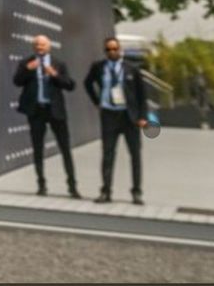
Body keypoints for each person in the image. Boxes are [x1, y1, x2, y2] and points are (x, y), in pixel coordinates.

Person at [84, 36, 148, 204]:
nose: (112, 52)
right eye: (108, 49)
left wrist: (143, 117)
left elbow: (142, 95)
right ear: (105, 51)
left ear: (120, 50)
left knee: (135, 155)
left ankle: (137, 191)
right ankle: (106, 191)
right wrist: (97, 101)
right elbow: (87, 83)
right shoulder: (98, 67)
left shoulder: (132, 69)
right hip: (109, 115)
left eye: (115, 49)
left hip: (129, 116)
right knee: (107, 154)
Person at [13, 34, 79, 197]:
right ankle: (41, 184)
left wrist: (54, 74)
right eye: (37, 45)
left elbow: (70, 85)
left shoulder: (59, 64)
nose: (39, 48)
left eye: (42, 45)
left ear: (49, 47)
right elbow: (17, 81)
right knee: (37, 149)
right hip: (36, 111)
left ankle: (72, 186)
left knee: (65, 148)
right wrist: (29, 70)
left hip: (55, 111)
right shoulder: (26, 63)